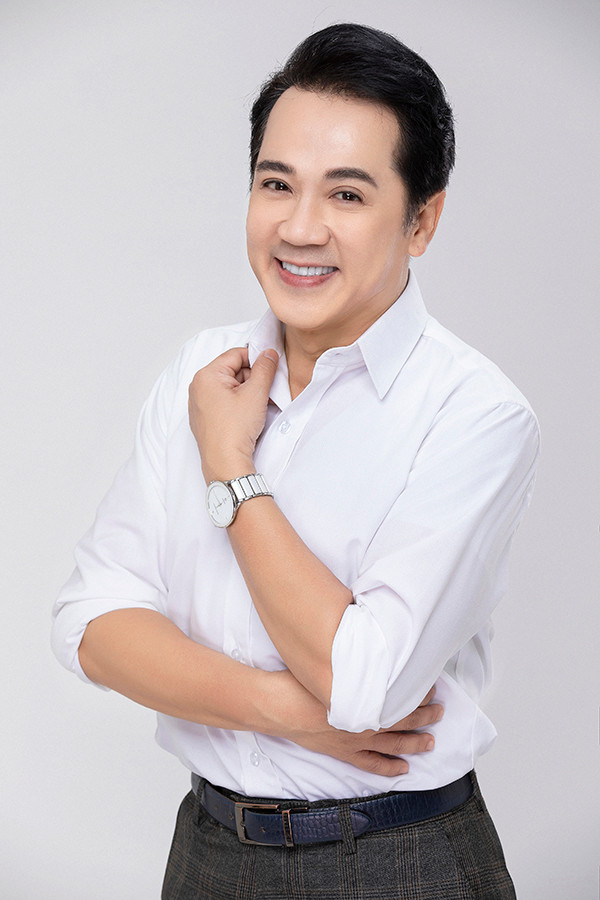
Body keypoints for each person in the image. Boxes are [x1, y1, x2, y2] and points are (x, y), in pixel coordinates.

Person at [52, 22, 539, 899]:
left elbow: (364, 685)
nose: (300, 227)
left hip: (398, 859)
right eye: (276, 184)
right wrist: (286, 711)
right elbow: (89, 623)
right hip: (207, 850)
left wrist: (230, 466)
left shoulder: (474, 414)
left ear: (422, 220)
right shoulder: (203, 371)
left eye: (347, 194)